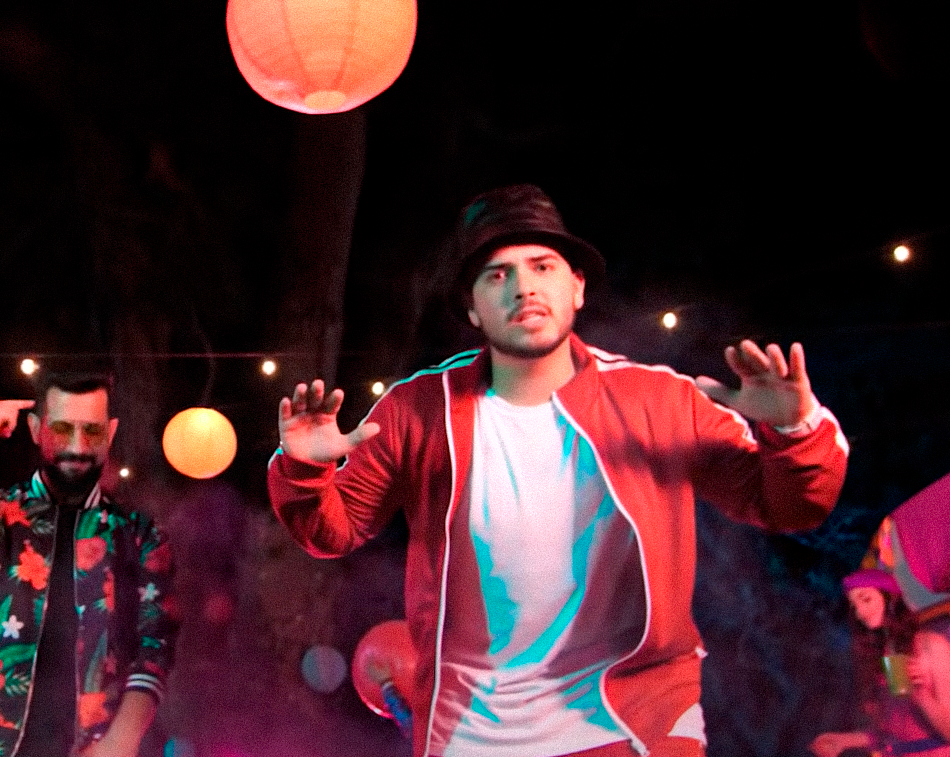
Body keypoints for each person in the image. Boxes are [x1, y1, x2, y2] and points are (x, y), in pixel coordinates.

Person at [267, 184, 849, 757]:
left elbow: (791, 506)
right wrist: (304, 470)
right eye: (497, 275)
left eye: (542, 267)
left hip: (636, 724)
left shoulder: (660, 400)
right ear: (471, 308)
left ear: (577, 288)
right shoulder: (417, 411)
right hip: (471, 735)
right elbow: (332, 532)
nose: (523, 287)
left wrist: (794, 431)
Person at [0, 372, 177, 757]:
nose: (77, 446)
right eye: (62, 429)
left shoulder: (139, 535)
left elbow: (157, 644)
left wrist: (122, 739)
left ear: (111, 432)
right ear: (36, 429)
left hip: (93, 749)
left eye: (92, 430)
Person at [810, 570, 950, 757]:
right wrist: (843, 741)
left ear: (889, 598)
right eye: (854, 606)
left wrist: (920, 693)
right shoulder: (879, 656)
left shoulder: (931, 645)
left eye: (866, 599)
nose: (859, 612)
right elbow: (890, 734)